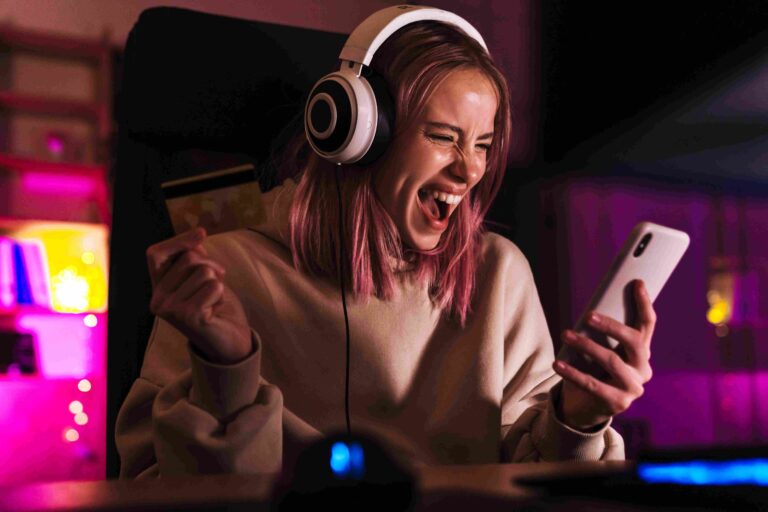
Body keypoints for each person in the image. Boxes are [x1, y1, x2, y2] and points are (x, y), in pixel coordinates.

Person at [116, 6, 656, 479]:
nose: (469, 169)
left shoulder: (499, 274)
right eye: (443, 137)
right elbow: (162, 487)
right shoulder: (224, 272)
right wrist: (227, 367)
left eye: (484, 145)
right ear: (359, 133)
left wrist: (576, 416)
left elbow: (538, 488)